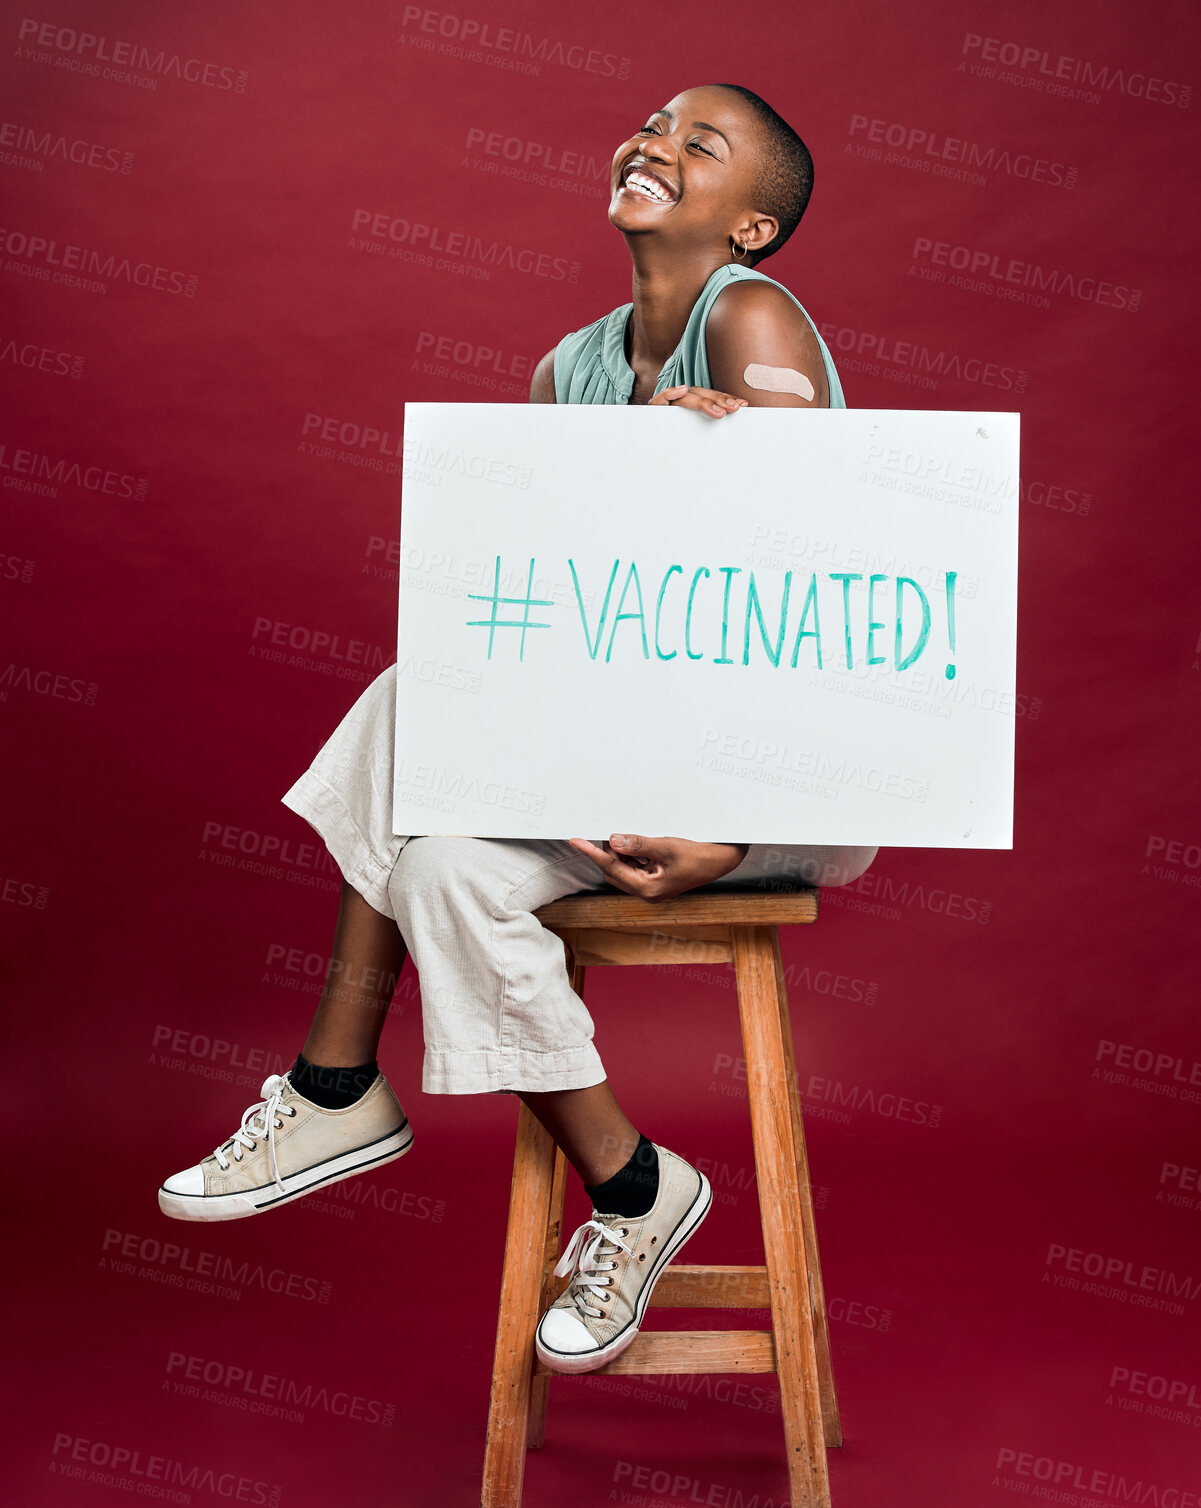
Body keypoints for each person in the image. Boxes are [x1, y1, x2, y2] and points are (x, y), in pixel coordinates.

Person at [158, 83, 878, 1375]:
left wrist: (746, 443)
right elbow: (551, 606)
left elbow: (817, 546)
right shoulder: (568, 368)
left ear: (752, 228)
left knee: (407, 698)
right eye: (652, 125)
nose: (654, 143)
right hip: (617, 761)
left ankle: (334, 1088)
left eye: (697, 145)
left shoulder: (751, 312)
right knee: (436, 862)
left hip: (760, 786)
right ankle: (635, 1188)